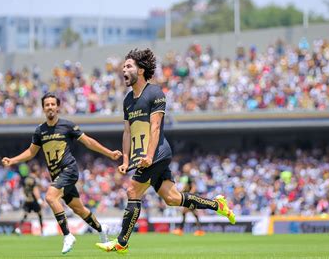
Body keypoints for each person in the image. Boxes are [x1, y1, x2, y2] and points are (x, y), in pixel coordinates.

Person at [96, 48, 235, 254]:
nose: (123, 69)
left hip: (157, 152)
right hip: (142, 156)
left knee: (133, 191)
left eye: (128, 66)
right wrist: (125, 160)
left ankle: (121, 243)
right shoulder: (127, 100)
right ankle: (218, 205)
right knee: (172, 198)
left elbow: (155, 127)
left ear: (141, 70)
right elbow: (128, 132)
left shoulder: (155, 93)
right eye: (123, 66)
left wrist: (149, 156)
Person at [2, 92, 122, 254]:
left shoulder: (68, 126)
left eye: (53, 104)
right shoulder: (40, 131)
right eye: (47, 105)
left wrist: (109, 153)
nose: (50, 107)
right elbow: (31, 152)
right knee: (79, 209)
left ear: (58, 107)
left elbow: (88, 142)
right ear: (43, 108)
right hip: (57, 175)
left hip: (69, 170)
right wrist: (13, 160)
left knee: (50, 197)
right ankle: (102, 230)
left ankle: (67, 235)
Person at [171, 162, 205, 236]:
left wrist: (190, 195)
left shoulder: (190, 177)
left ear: (189, 168)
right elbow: (183, 186)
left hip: (189, 197)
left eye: (186, 167)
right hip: (185, 196)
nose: (184, 168)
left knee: (185, 212)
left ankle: (180, 229)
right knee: (193, 213)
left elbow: (194, 187)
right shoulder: (183, 176)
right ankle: (199, 230)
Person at [14, 165, 44, 235]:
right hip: (33, 200)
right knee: (40, 214)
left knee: (25, 215)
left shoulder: (26, 178)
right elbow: (35, 190)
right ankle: (42, 232)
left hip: (27, 199)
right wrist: (39, 200)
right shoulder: (34, 179)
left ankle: (18, 229)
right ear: (36, 171)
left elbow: (24, 189)